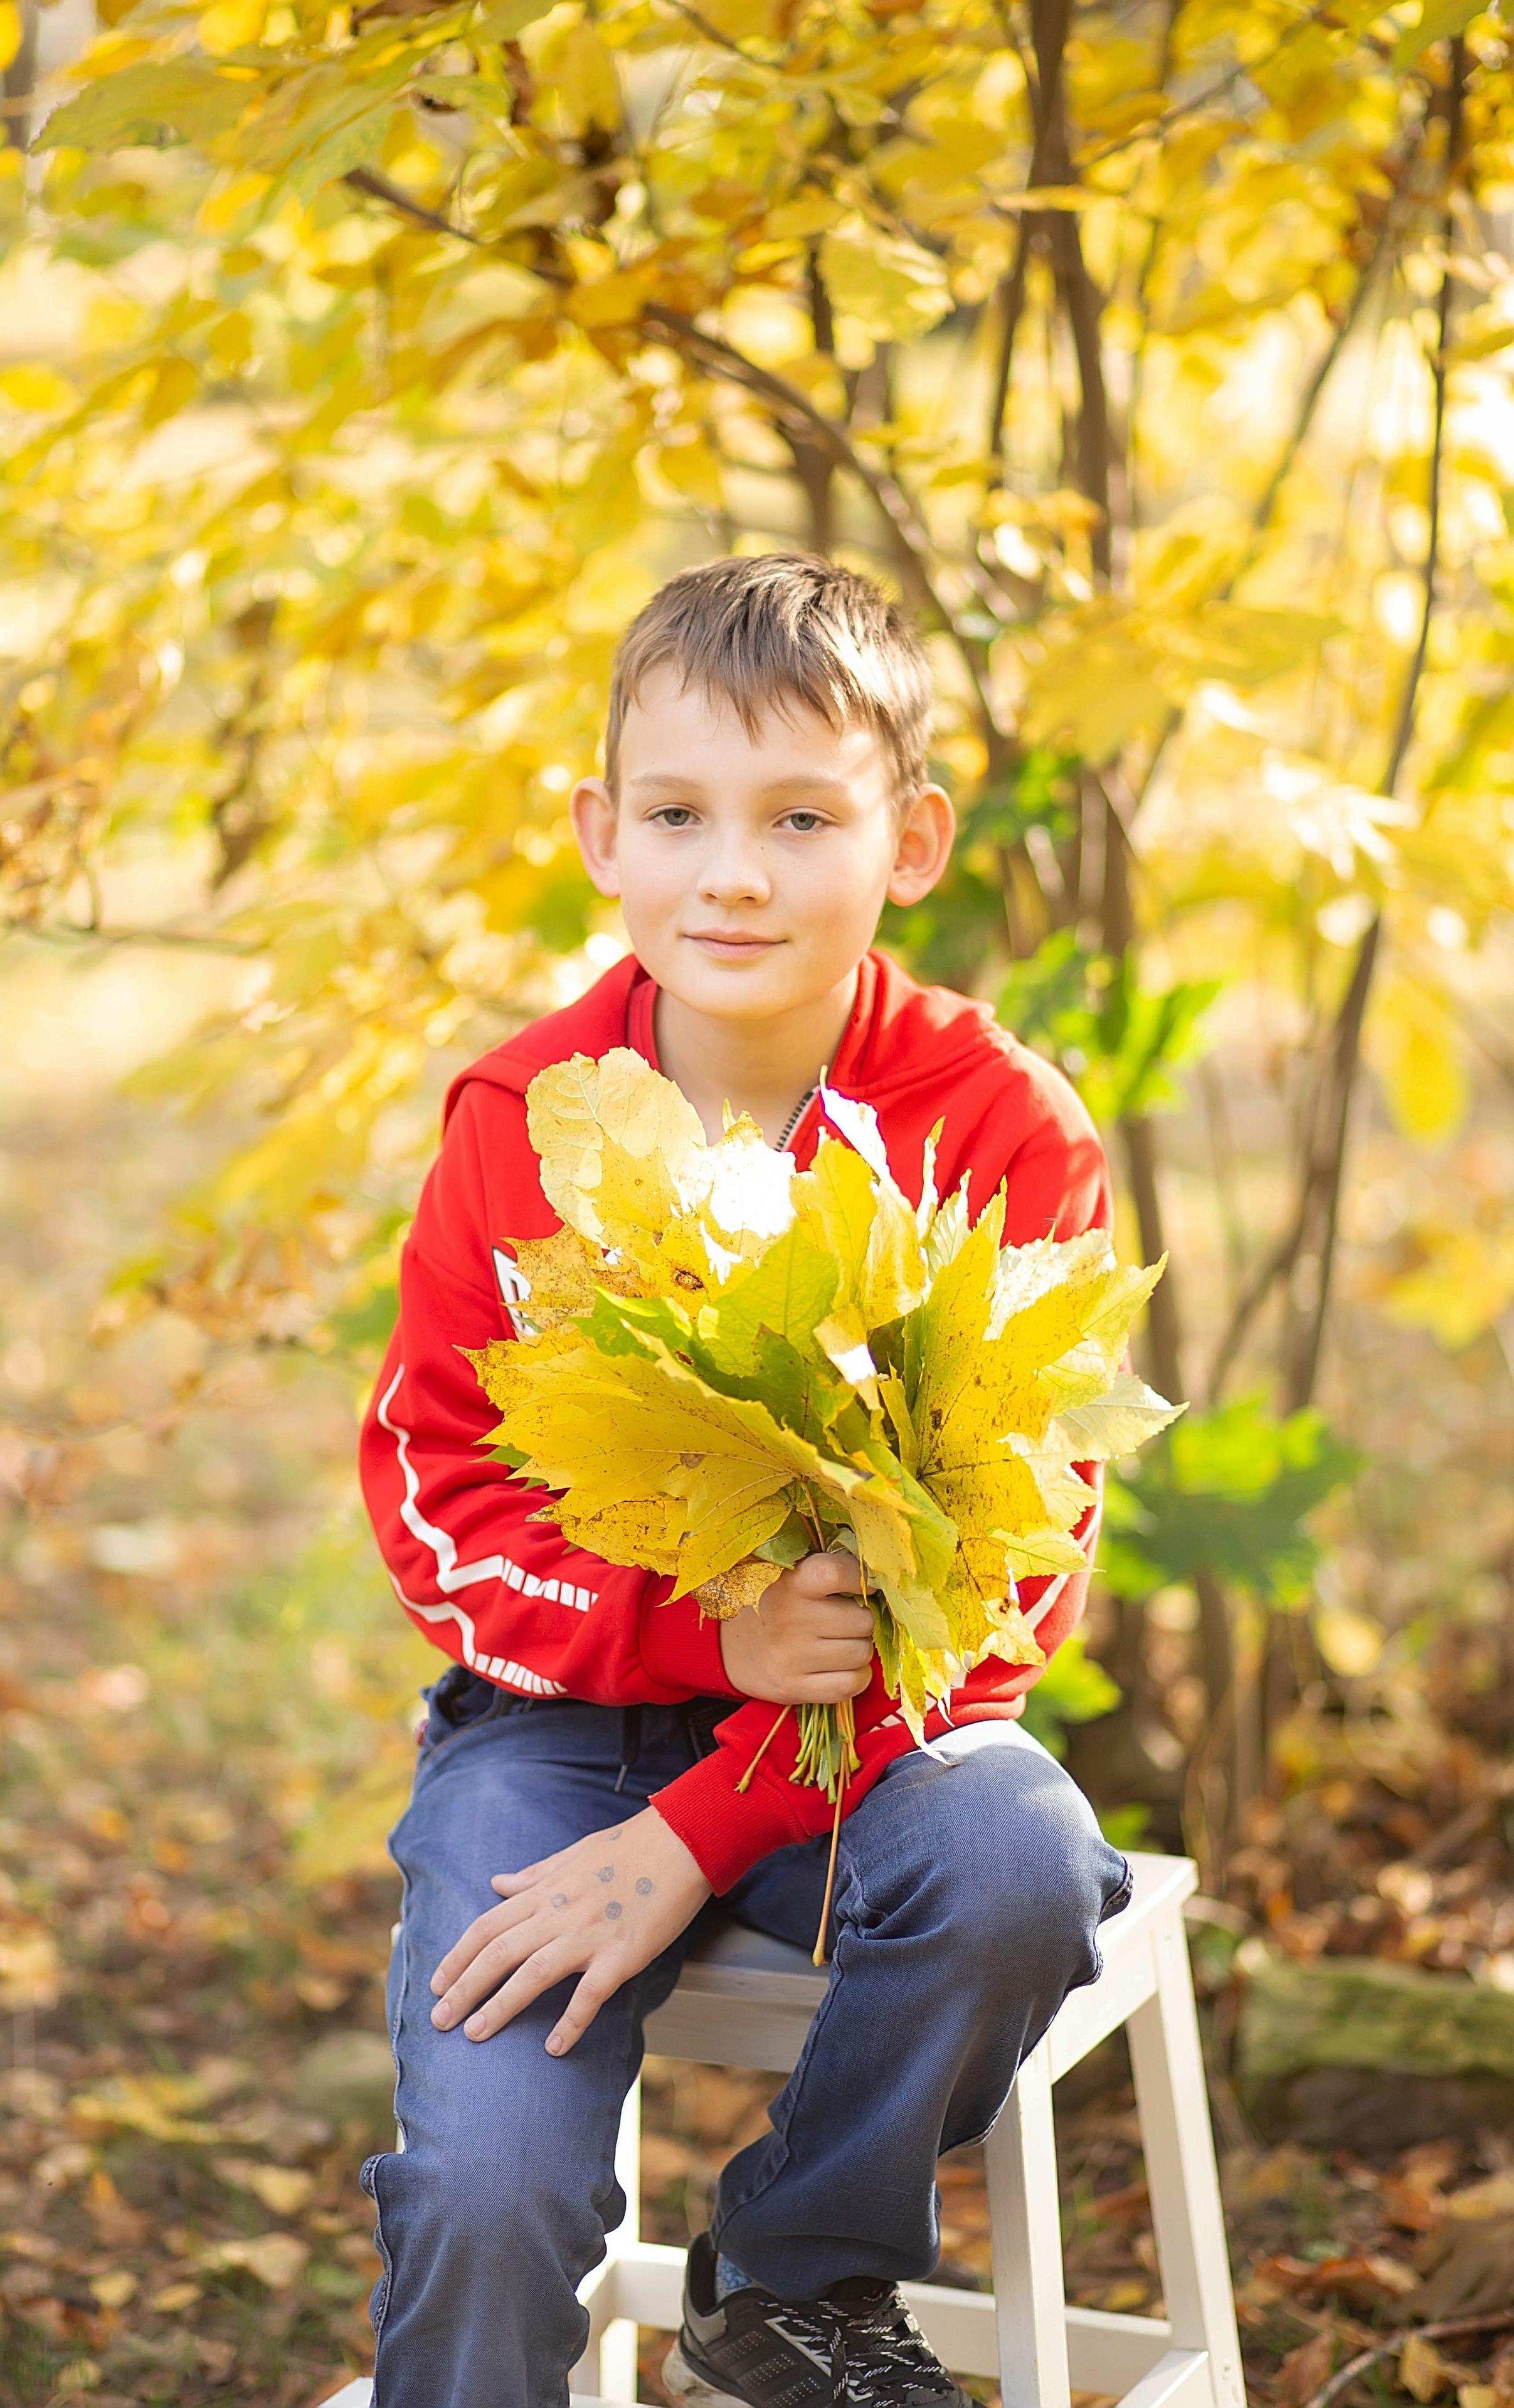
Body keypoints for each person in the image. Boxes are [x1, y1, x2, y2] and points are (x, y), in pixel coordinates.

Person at [358, 554, 1131, 2408]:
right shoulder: (518, 1127)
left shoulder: (1003, 1133)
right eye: (681, 814)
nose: (733, 874)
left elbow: (1015, 1585)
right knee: (484, 2175)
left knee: (1022, 1865)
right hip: (552, 1724)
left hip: (874, 1737)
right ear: (598, 833)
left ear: (915, 841)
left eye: (802, 818)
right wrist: (694, 1623)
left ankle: (793, 2271)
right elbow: (433, 1488)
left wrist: (700, 1829)